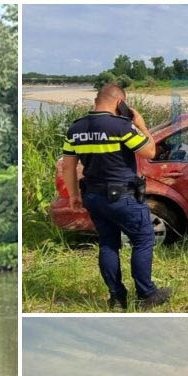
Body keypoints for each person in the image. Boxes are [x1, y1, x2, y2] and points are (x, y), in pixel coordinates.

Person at [61, 83, 171, 310]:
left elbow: (68, 167)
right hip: (122, 196)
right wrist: (141, 125)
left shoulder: (76, 129)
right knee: (143, 240)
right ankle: (147, 294)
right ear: (120, 103)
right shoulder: (121, 127)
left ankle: (117, 298)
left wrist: (73, 195)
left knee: (108, 243)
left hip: (92, 196)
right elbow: (150, 152)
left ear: (96, 100)